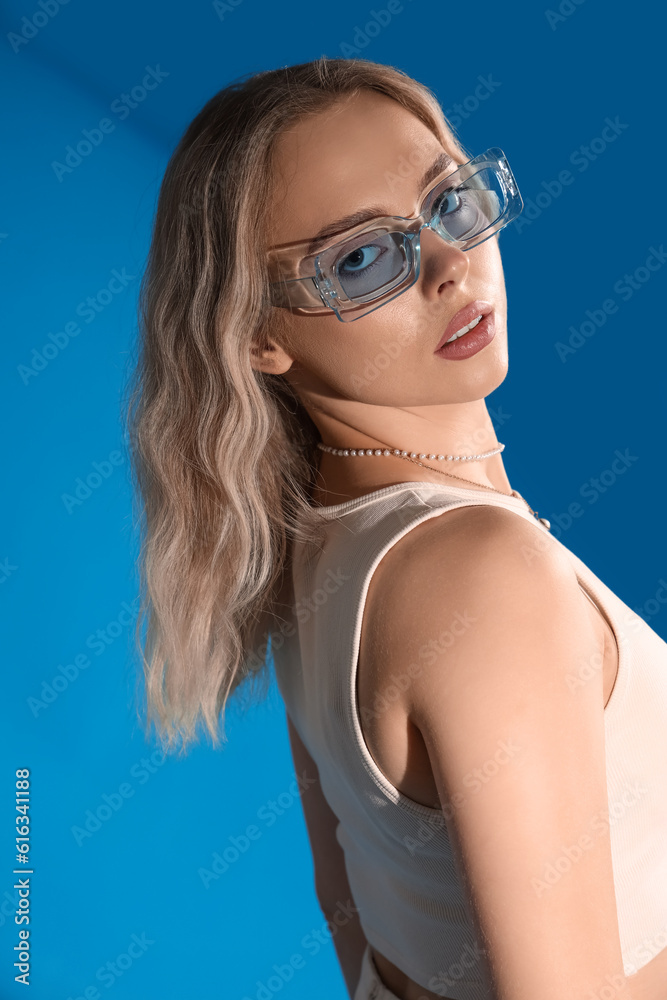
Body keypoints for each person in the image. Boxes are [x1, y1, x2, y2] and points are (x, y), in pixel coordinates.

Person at [124, 56, 667, 1000]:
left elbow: (355, 914)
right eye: (361, 258)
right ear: (258, 334)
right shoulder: (472, 573)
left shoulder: (319, 548)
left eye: (448, 202)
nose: (453, 266)